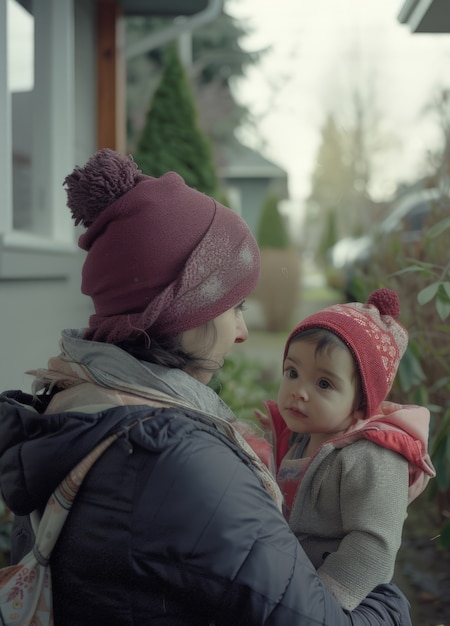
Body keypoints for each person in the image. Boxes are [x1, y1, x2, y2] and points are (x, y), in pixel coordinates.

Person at [0, 149, 413, 625]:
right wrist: (388, 596)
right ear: (182, 311)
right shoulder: (178, 460)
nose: (241, 332)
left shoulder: (70, 402)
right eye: (234, 307)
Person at [260, 290, 436, 611]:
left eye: (324, 384)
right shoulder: (301, 436)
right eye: (292, 372)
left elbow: (374, 543)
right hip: (292, 585)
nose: (299, 391)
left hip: (337, 602)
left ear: (361, 403)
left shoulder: (371, 456)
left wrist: (323, 604)